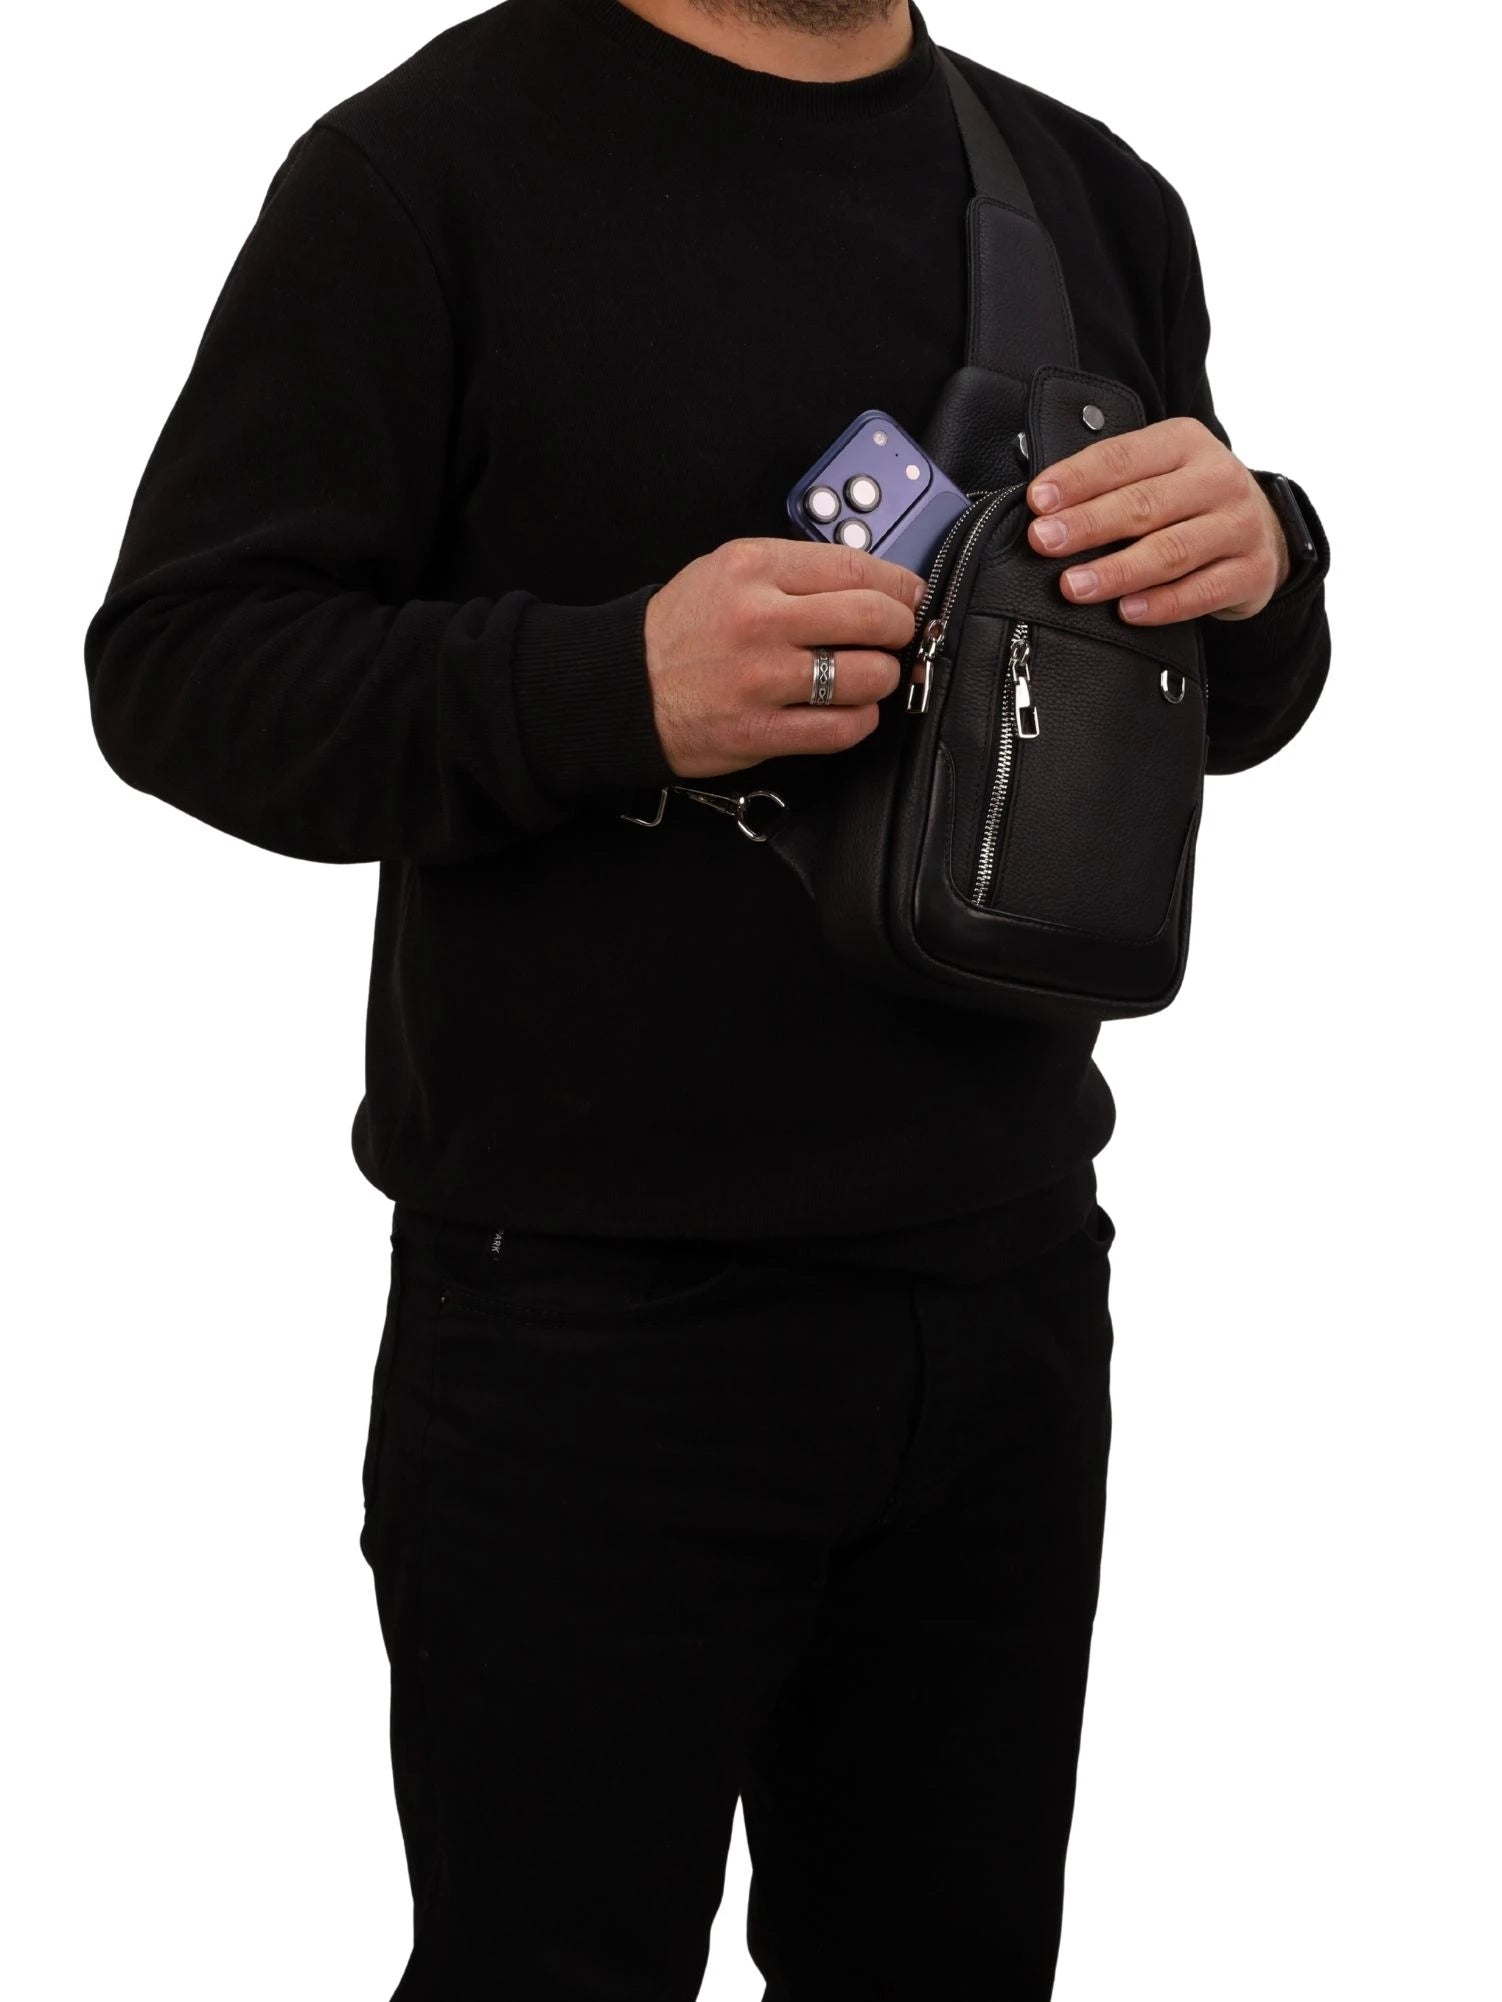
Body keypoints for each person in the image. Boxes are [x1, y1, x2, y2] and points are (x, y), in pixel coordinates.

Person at [82, 0, 1331, 1993]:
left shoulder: (1091, 191)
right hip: (585, 1330)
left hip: (1006, 1289)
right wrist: (606, 689)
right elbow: (178, 670)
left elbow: (1214, 701)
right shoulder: (420, 172)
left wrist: (1267, 564)